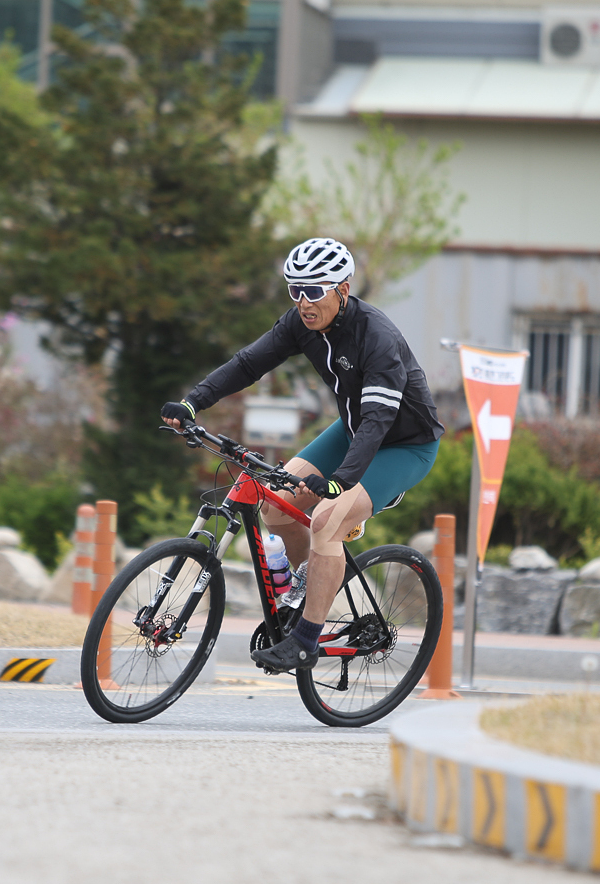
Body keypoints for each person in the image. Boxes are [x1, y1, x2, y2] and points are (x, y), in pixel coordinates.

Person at [162, 237, 444, 673]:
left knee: (327, 520)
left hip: (404, 445)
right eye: (295, 290)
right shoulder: (301, 322)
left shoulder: (378, 338)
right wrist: (193, 403)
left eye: (313, 291)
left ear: (343, 290)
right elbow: (248, 364)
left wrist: (339, 482)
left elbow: (377, 422)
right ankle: (309, 586)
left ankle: (305, 641)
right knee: (276, 506)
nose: (303, 302)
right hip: (351, 430)